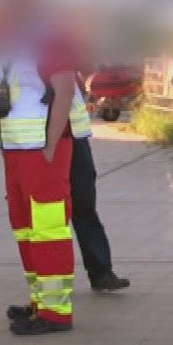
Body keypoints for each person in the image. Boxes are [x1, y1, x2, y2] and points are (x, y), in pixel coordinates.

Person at [0, 0, 80, 336]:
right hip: (15, 150)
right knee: (25, 229)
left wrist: (51, 146)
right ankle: (39, 300)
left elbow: (64, 90)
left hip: (41, 152)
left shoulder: (50, 37)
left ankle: (56, 312)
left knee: (48, 231)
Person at [65, 74, 132, 295]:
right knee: (49, 218)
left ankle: (102, 273)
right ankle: (51, 278)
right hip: (41, 143)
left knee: (84, 206)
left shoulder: (65, 55)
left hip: (75, 139)